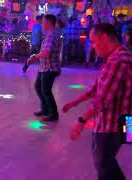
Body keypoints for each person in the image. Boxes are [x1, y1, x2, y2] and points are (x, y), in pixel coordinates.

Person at [63, 23, 132, 180]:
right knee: (108, 160)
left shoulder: (117, 61)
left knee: (103, 163)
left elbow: (102, 99)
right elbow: (98, 87)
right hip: (126, 121)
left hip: (111, 125)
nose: (93, 47)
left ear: (104, 38)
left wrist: (81, 121)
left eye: (94, 42)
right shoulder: (123, 55)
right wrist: (76, 101)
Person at [27, 14, 61, 122]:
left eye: (43, 22)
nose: (42, 24)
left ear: (49, 23)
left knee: (45, 90)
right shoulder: (49, 34)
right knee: (38, 87)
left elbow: (46, 52)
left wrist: (34, 56)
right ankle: (45, 109)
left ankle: (53, 114)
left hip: (50, 68)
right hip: (44, 67)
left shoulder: (51, 35)